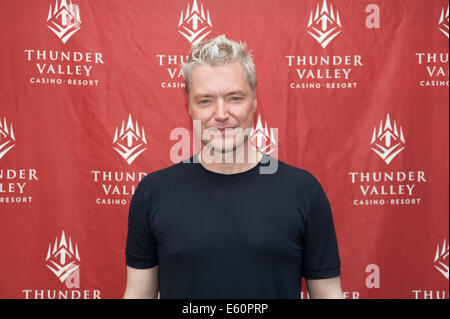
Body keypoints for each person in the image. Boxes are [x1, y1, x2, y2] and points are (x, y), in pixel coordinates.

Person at [123, 35, 343, 299]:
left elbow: (329, 293)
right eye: (205, 100)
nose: (221, 114)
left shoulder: (304, 191)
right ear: (189, 107)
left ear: (255, 102)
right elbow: (138, 294)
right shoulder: (153, 193)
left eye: (234, 98)